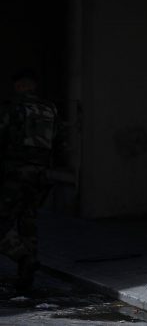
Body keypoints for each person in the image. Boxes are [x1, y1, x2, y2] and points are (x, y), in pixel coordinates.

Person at [0, 69, 57, 290]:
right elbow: (60, 142)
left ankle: (24, 259)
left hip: (15, 173)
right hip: (40, 174)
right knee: (28, 222)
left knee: (3, 223)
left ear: (21, 86)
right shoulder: (50, 108)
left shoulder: (11, 108)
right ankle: (26, 277)